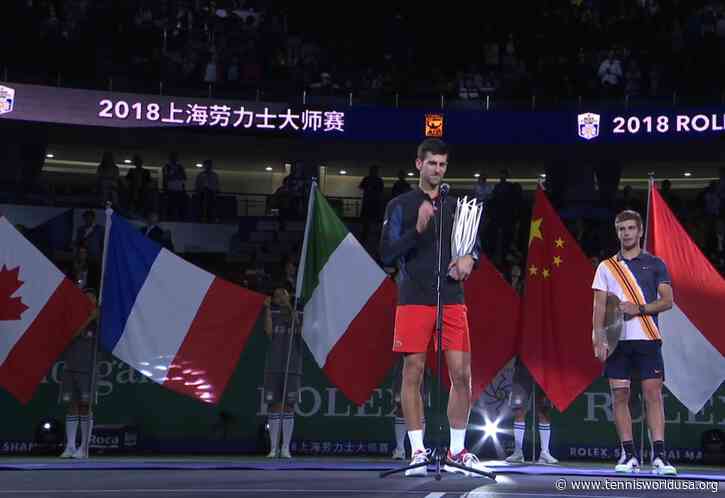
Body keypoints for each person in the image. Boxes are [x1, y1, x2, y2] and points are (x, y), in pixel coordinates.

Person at [380, 138, 482, 477]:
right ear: (419, 164)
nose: (437, 169)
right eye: (432, 163)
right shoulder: (400, 205)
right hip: (413, 298)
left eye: (442, 164)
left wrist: (471, 258)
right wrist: (418, 229)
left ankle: (456, 450)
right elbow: (387, 254)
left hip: (451, 299)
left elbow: (473, 246)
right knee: (413, 373)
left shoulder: (456, 207)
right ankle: (418, 453)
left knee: (462, 375)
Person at [591, 210, 676, 475]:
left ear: (640, 232)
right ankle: (628, 455)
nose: (626, 233)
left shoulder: (656, 264)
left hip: (648, 338)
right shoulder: (606, 267)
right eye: (621, 229)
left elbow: (667, 301)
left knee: (653, 396)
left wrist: (638, 309)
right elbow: (599, 305)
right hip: (617, 341)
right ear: (617, 232)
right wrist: (597, 337)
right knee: (619, 396)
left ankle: (660, 456)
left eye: (630, 228)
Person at [263, 287, 303, 459]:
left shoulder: (297, 315)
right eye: (276, 295)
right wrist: (267, 309)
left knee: (288, 407)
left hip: (292, 367)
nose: (278, 298)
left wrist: (288, 305)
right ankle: (273, 448)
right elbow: (268, 332)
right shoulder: (272, 314)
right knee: (274, 406)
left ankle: (286, 448)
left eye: (282, 295)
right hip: (273, 367)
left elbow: (300, 330)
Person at [59, 288, 98, 459]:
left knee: (85, 405)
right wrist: (89, 317)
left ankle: (84, 448)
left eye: (92, 299)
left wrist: (95, 318)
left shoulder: (99, 322)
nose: (88, 302)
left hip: (88, 369)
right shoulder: (72, 319)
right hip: (70, 368)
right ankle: (69, 446)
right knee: (71, 407)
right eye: (85, 299)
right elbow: (69, 336)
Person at [505, 357, 558, 464]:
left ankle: (545, 453)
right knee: (519, 409)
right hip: (523, 364)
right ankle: (518, 452)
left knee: (544, 409)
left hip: (545, 364)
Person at [390, 355, 428, 460]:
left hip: (422, 354)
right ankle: (400, 449)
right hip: (403, 351)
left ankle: (418, 450)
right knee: (400, 404)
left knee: (418, 403)